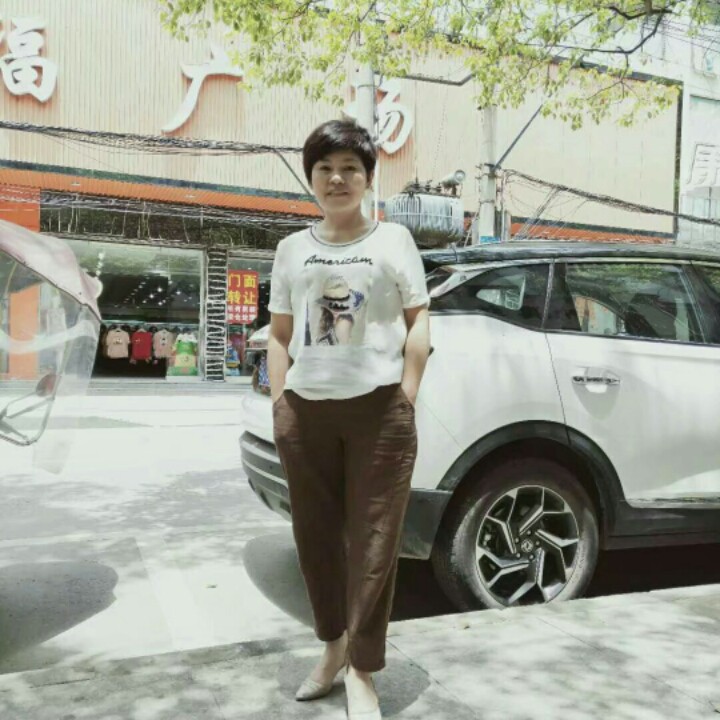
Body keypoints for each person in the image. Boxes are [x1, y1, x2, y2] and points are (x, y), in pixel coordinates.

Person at [267, 119, 431, 720]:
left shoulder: (395, 240)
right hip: (305, 413)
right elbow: (279, 333)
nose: (337, 179)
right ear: (311, 177)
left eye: (350, 169)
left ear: (367, 178)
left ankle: (362, 669)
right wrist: (280, 403)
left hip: (379, 412)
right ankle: (332, 648)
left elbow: (419, 319)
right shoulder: (292, 249)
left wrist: (406, 394)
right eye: (325, 169)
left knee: (374, 543)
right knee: (314, 540)